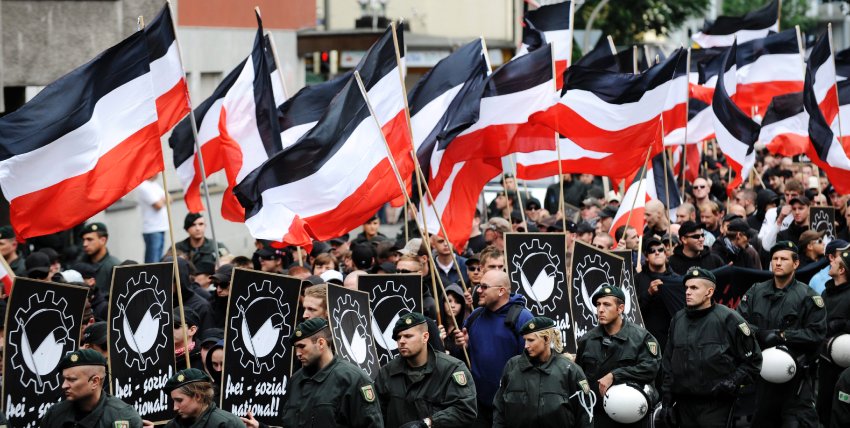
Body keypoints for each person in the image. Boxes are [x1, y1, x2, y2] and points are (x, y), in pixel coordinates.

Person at [737, 241, 826, 427]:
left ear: (796, 264)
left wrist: (783, 336)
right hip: (762, 377)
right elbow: (738, 323)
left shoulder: (808, 297)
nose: (777, 262)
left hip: (795, 379)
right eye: (775, 259)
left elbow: (816, 334)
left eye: (783, 259)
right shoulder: (756, 292)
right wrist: (759, 333)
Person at [660, 267, 762, 428]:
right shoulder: (678, 319)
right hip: (684, 405)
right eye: (686, 288)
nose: (688, 292)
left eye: (694, 288)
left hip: (716, 405)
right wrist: (666, 400)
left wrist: (732, 381)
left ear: (709, 292)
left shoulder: (729, 318)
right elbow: (668, 363)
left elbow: (753, 361)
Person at [243, 318, 384, 427]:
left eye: (302, 346)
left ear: (321, 343)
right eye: (296, 348)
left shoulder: (353, 379)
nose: (297, 353)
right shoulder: (296, 380)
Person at [453, 269, 532, 427]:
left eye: (484, 287)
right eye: (478, 286)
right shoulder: (474, 317)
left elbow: (531, 363)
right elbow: (462, 362)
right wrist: (463, 347)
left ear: (501, 291)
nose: (479, 291)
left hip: (511, 407)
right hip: (478, 406)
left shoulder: (522, 318)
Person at [575, 285, 661, 427]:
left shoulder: (641, 338)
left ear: (620, 308)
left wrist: (614, 375)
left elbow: (650, 368)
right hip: (597, 416)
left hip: (630, 416)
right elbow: (579, 376)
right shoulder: (587, 340)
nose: (600, 309)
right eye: (598, 305)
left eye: (607, 305)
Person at [375, 312, 477, 427]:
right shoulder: (387, 373)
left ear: (425, 337)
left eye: (408, 336)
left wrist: (428, 423)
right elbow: (376, 414)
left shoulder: (451, 369)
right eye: (398, 337)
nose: (401, 341)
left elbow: (465, 410)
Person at [493, 317, 593, 427]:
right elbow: (499, 409)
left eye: (531, 340)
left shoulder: (570, 370)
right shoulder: (512, 367)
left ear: (546, 339)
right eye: (525, 340)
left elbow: (585, 415)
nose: (526, 346)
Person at [41, 349, 142, 427]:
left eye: (71, 380)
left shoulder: (122, 418)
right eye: (64, 379)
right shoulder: (54, 414)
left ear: (94, 382)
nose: (64, 385)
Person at [817, 245, 850, 426]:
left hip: (844, 363)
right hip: (825, 361)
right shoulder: (825, 293)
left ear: (842, 269)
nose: (831, 262)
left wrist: (843, 324)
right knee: (823, 406)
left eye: (835, 262)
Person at [163, 368, 243, 427]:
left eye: (179, 400)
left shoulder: (228, 424)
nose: (175, 407)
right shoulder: (171, 426)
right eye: (173, 401)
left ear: (198, 396)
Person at [635, 237, 674, 352]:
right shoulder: (637, 279)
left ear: (666, 254)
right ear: (646, 257)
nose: (657, 252)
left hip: (671, 338)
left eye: (660, 249)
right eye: (652, 251)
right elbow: (633, 311)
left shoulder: (676, 278)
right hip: (646, 338)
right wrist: (649, 293)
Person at [78, 222, 121, 295]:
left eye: (89, 239)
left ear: (103, 240)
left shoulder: (114, 266)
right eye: (84, 240)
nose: (84, 244)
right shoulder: (80, 263)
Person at [135, 176, 168, 263]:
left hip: (161, 227)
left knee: (159, 259)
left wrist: (162, 199)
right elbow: (158, 205)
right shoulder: (143, 186)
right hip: (152, 229)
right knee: (153, 261)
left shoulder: (155, 185)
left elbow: (170, 199)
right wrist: (163, 199)